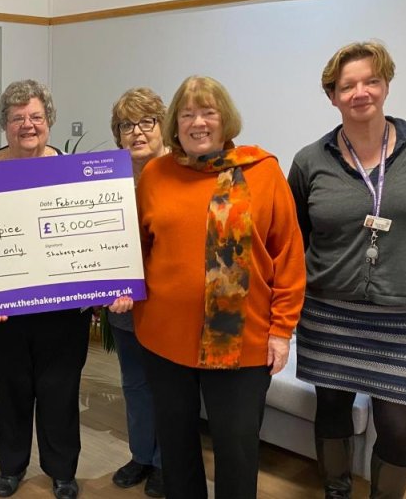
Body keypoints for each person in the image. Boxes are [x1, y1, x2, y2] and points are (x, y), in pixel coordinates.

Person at [288, 41, 406, 499]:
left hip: (404, 312)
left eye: (371, 81)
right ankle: (336, 491)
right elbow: (297, 235)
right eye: (348, 85)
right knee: (333, 413)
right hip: (329, 310)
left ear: (385, 85)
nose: (360, 92)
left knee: (399, 428)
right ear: (332, 95)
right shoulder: (310, 160)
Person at [133, 75, 306, 499]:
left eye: (208, 112)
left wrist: (282, 331)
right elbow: (135, 247)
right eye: (188, 114)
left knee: (237, 448)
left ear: (225, 120)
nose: (198, 123)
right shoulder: (156, 174)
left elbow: (288, 256)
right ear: (175, 124)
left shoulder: (262, 172)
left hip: (241, 344)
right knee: (175, 444)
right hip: (163, 338)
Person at [0, 79, 133, 499]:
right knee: (12, 390)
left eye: (35, 117)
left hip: (63, 311)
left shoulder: (75, 170)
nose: (27, 125)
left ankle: (62, 470)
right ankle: (11, 467)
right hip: (3, 311)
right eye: (17, 118)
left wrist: (109, 284)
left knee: (59, 390)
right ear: (5, 125)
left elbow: (98, 234)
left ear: (49, 121)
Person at [105, 87, 167, 498]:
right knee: (134, 384)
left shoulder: (180, 174)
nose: (137, 132)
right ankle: (142, 454)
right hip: (123, 306)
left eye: (147, 122)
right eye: (127, 125)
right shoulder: (107, 180)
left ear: (163, 127)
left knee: (168, 387)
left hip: (167, 307)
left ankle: (166, 462)